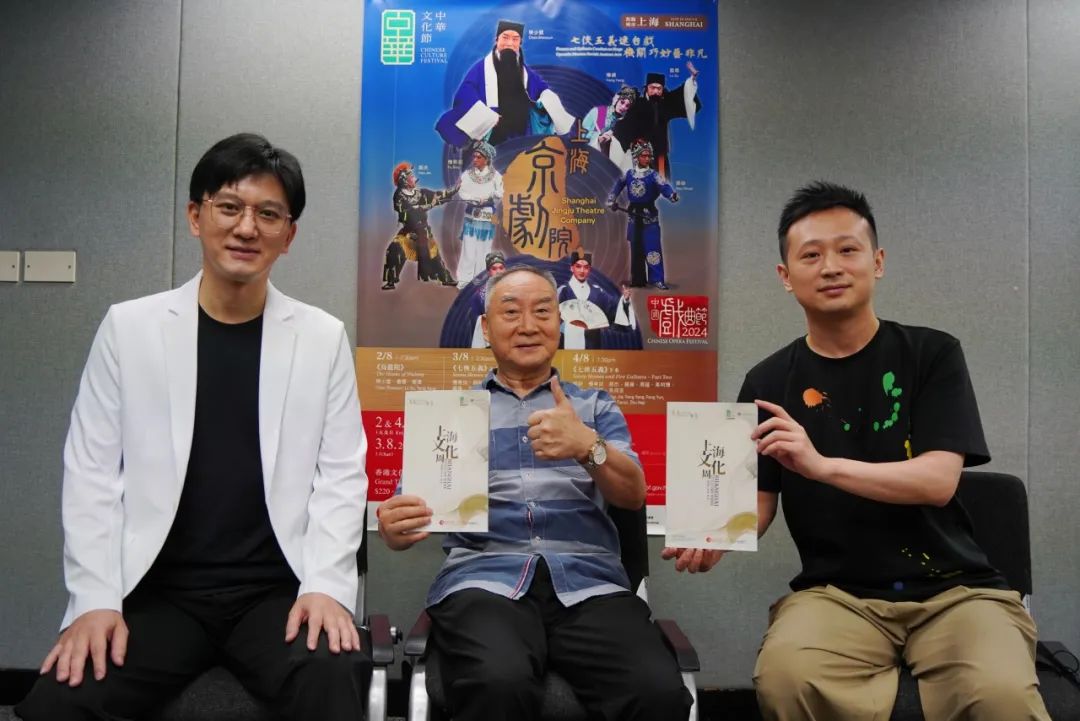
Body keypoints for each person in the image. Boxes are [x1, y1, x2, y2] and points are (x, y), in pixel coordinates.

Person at [17, 133, 372, 721]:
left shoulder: (321, 337)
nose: (246, 228)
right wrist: (95, 600)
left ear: (289, 235)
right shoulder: (129, 329)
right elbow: (91, 475)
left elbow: (341, 476)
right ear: (195, 216)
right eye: (229, 207)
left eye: (269, 214)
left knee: (333, 677)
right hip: (157, 593)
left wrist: (326, 589)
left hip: (276, 593)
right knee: (61, 700)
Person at [663, 181, 1050, 721]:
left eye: (847, 249)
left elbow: (938, 481)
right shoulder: (767, 381)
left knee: (999, 694)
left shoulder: (931, 354)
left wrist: (821, 467)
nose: (831, 267)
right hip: (835, 594)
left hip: (956, 591)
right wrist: (714, 537)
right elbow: (760, 498)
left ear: (877, 261)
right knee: (786, 678)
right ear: (785, 276)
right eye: (811, 255)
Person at [377, 265, 692, 721]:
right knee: (498, 682)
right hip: (484, 580)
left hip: (590, 585)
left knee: (657, 692)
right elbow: (406, 517)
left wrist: (587, 447)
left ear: (559, 324)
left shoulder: (594, 406)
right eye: (511, 312)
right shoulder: (453, 415)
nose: (528, 325)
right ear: (486, 329)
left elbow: (633, 495)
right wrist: (395, 527)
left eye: (542, 311)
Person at [435, 19, 575, 148]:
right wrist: (487, 116)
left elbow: (541, 88)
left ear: (520, 43)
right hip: (494, 128)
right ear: (496, 40)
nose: (509, 43)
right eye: (505, 37)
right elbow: (465, 92)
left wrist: (549, 98)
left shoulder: (524, 70)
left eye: (515, 39)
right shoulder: (481, 68)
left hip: (521, 127)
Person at [607, 139, 678, 290]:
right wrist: (612, 199)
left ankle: (656, 279)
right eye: (643, 156)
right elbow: (618, 185)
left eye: (648, 156)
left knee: (653, 248)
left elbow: (664, 186)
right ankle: (638, 279)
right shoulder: (629, 174)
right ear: (636, 157)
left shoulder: (653, 175)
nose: (647, 158)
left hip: (648, 216)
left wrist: (671, 195)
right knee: (636, 249)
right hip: (633, 216)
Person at [613, 64, 701, 180]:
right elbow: (624, 125)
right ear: (647, 87)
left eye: (659, 88)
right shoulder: (637, 104)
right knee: (639, 185)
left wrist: (691, 80)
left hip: (660, 153)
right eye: (652, 88)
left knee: (662, 184)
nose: (655, 91)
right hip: (638, 153)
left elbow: (683, 94)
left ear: (662, 89)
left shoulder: (666, 102)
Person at [382, 161, 457, 290]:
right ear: (404, 180)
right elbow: (410, 211)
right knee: (394, 249)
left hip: (423, 231)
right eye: (411, 176)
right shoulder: (398, 196)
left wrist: (454, 190)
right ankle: (390, 281)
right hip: (409, 232)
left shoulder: (420, 193)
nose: (413, 178)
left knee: (434, 254)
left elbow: (437, 195)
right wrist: (429, 205)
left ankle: (445, 278)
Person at [556, 248, 637, 350]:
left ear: (589, 269)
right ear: (572, 268)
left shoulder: (597, 292)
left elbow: (614, 310)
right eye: (578, 266)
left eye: (586, 267)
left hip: (592, 343)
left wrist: (625, 300)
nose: (582, 271)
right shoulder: (563, 291)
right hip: (566, 341)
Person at [456, 141, 504, 289]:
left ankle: (481, 279)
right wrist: (474, 199)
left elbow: (500, 193)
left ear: (486, 159)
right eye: (474, 156)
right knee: (468, 249)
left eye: (478, 157)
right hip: (472, 214)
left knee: (484, 248)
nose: (475, 159)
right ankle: (464, 280)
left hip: (488, 215)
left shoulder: (496, 176)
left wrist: (489, 196)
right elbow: (462, 192)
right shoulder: (467, 175)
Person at [581, 85, 638, 167]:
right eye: (622, 102)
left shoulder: (625, 123)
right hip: (590, 158)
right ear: (616, 99)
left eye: (627, 106)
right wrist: (598, 138)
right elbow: (581, 136)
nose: (623, 107)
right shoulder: (597, 112)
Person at [469, 251, 506, 348]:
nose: (498, 272)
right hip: (488, 339)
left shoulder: (515, 289)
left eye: (501, 268)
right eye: (494, 269)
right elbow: (474, 320)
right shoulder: (479, 295)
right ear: (488, 272)